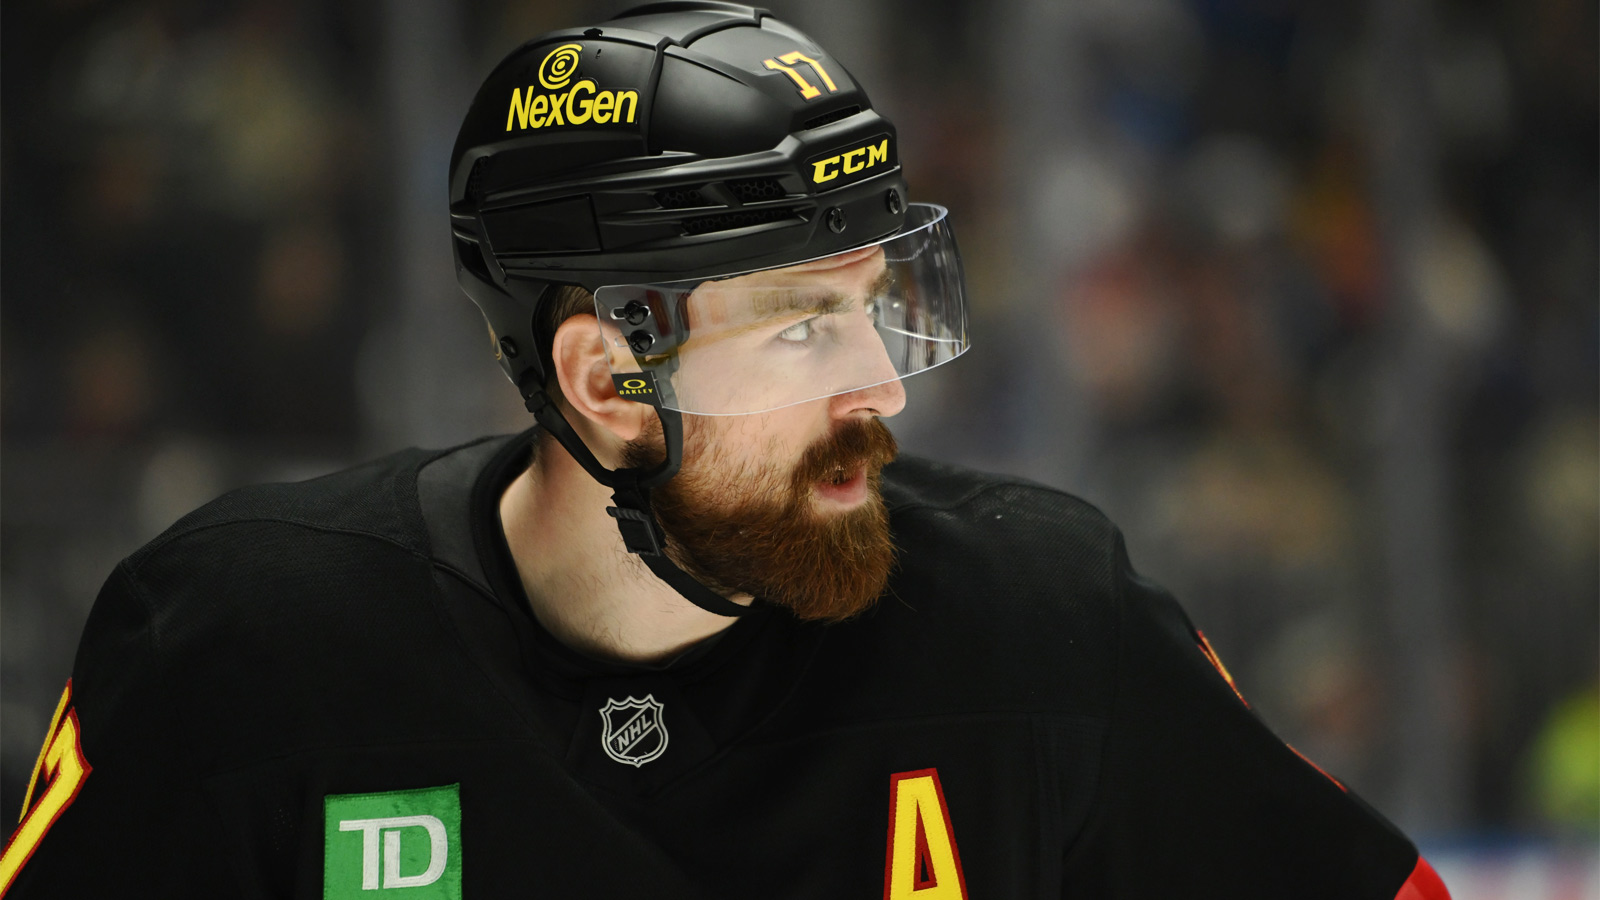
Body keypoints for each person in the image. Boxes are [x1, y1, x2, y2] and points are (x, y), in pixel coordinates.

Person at [1, 3, 1453, 897]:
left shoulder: (1040, 620)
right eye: (805, 330)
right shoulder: (237, 649)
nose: (884, 385)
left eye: (879, 311)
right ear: (607, 378)